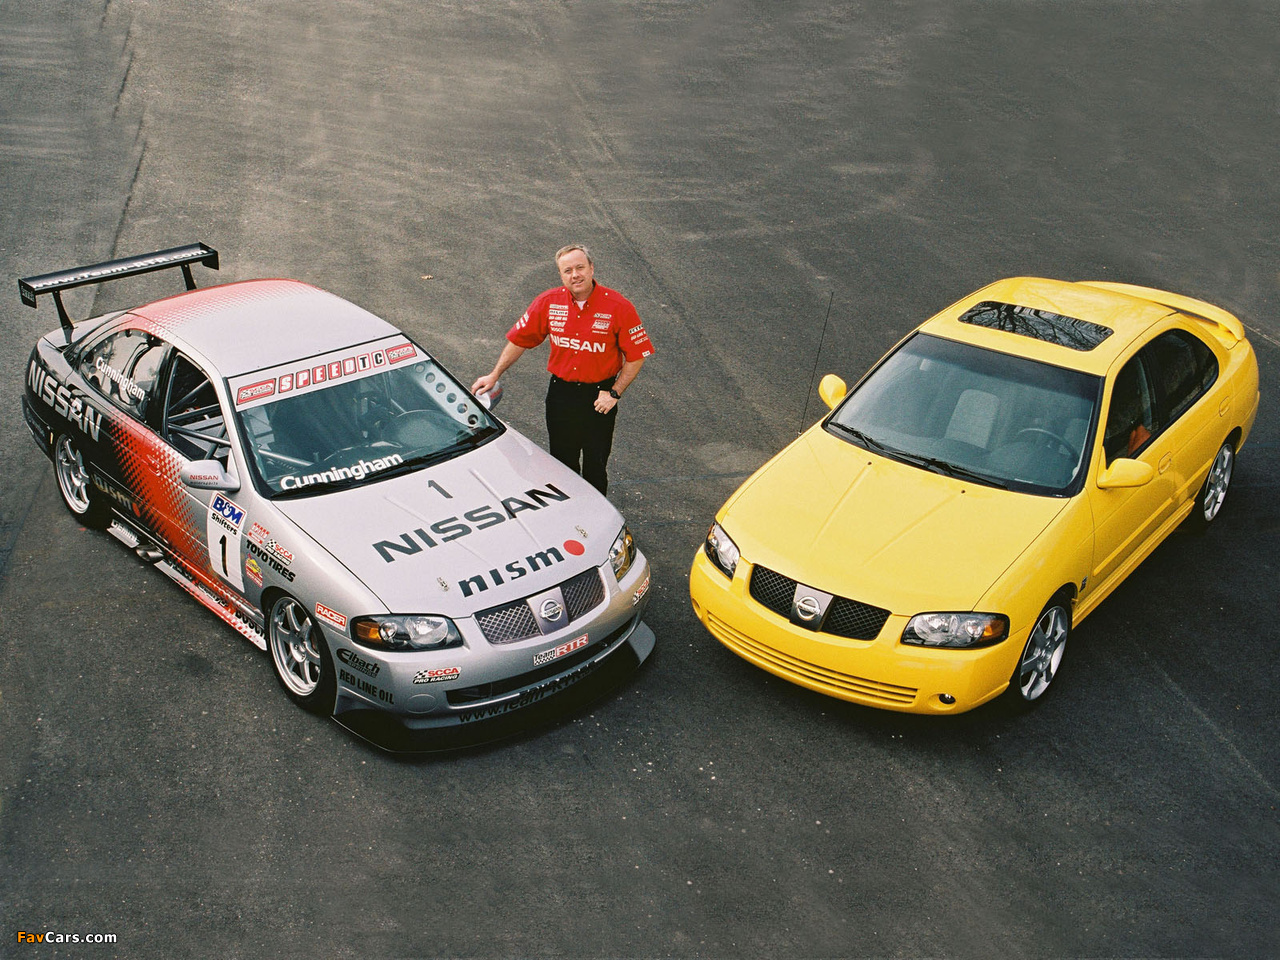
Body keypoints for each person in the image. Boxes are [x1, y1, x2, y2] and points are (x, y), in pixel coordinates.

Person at [472, 244, 654, 494]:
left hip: (599, 397)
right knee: (561, 465)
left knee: (595, 466)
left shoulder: (618, 306)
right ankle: (569, 512)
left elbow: (637, 355)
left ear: (591, 268)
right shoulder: (548, 302)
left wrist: (614, 392)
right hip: (561, 395)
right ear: (561, 275)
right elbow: (519, 340)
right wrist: (495, 374)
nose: (575, 275)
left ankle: (595, 513)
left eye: (580, 267)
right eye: (567, 270)